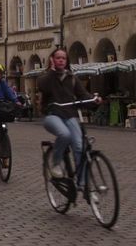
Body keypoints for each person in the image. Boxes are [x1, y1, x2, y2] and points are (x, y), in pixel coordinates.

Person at [37, 48, 99, 182]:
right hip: (52, 114)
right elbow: (42, 86)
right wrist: (52, 71)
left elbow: (83, 95)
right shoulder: (46, 77)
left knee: (79, 146)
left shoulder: (71, 78)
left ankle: (82, 184)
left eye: (63, 58)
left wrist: (94, 100)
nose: (61, 60)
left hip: (69, 115)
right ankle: (56, 163)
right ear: (52, 60)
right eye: (58, 58)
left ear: (67, 61)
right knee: (65, 135)